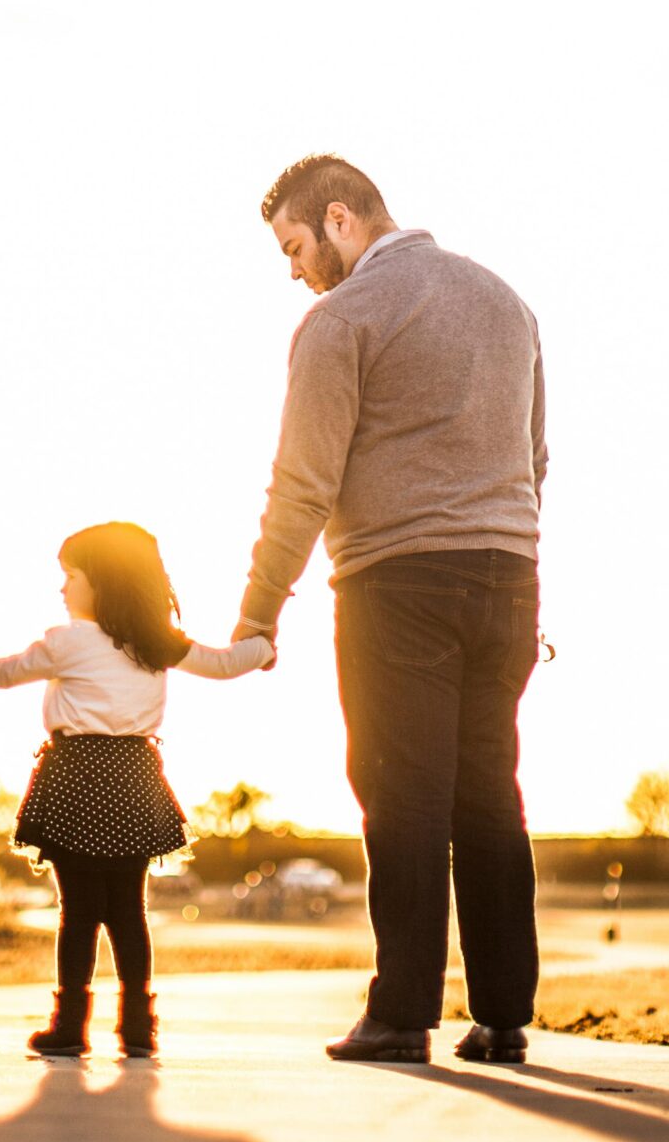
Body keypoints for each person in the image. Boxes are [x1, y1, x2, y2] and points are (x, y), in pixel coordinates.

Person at [234, 154, 547, 1067]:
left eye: (294, 247)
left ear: (338, 220)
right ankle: (501, 1016)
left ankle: (401, 1014)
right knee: (489, 793)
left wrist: (258, 614)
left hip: (395, 583)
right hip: (508, 576)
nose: (294, 271)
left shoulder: (342, 319)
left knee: (401, 796)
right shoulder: (506, 301)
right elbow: (534, 457)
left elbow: (303, 484)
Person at [0, 522, 272, 1059]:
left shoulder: (68, 640)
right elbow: (222, 664)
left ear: (99, 580)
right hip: (133, 780)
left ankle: (71, 1025)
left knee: (77, 911)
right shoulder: (154, 641)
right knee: (129, 909)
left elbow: (4, 673)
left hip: (76, 778)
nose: (61, 589)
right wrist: (262, 648)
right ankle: (138, 1026)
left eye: (69, 576)